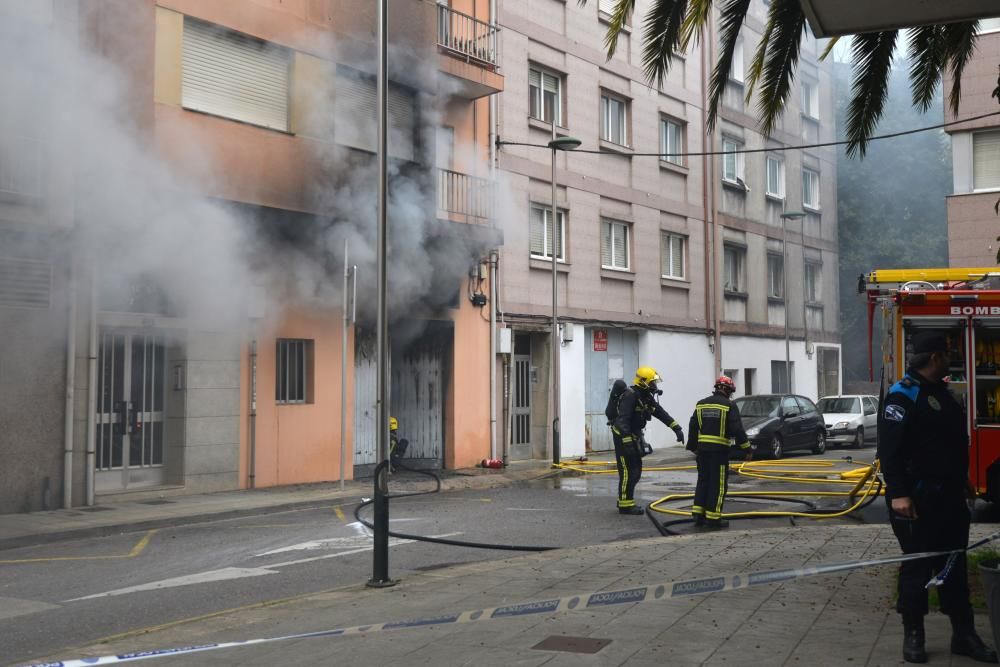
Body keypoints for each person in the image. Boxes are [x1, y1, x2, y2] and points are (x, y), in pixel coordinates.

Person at [879, 332, 997, 664]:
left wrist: (964, 480)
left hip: (950, 499)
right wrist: (898, 493)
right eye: (946, 355)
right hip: (917, 500)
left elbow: (950, 446)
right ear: (934, 358)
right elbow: (889, 451)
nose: (950, 359)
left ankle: (964, 634)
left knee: (954, 566)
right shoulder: (903, 396)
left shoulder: (942, 394)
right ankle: (914, 634)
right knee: (917, 569)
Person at [610, 366, 684, 515]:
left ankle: (627, 501)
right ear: (643, 382)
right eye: (652, 383)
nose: (654, 386)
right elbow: (622, 421)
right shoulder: (630, 396)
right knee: (627, 472)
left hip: (634, 435)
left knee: (636, 471)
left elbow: (660, 413)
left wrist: (676, 428)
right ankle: (625, 505)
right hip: (622, 437)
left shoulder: (646, 398)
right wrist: (627, 442)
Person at [688, 375, 751, 529]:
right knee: (718, 484)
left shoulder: (701, 404)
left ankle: (698, 515)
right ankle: (713, 518)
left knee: (703, 481)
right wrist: (747, 448)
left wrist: (693, 446)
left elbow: (693, 425)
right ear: (728, 390)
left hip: (702, 452)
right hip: (719, 453)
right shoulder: (729, 405)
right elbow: (737, 428)